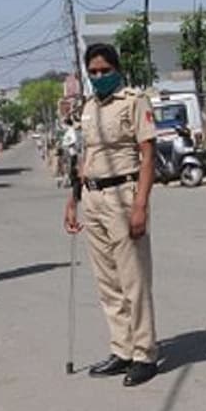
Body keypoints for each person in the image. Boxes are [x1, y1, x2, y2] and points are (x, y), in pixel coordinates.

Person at [64, 43, 159, 387]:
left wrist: (141, 205)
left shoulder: (134, 101)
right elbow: (84, 156)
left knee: (133, 280)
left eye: (105, 70)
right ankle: (122, 349)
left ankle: (145, 353)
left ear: (117, 69)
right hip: (93, 196)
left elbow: (148, 155)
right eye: (94, 72)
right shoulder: (87, 107)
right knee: (108, 283)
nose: (99, 76)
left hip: (124, 195)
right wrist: (74, 199)